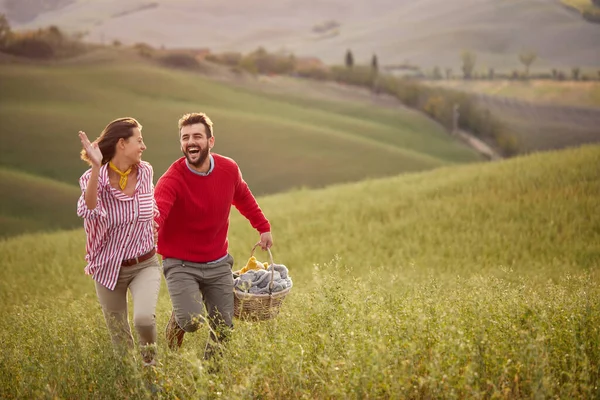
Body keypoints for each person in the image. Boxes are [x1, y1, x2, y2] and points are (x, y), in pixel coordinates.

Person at [154, 112, 273, 358]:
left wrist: (263, 227)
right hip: (180, 263)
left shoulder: (229, 169)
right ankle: (178, 319)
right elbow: (158, 212)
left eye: (197, 136)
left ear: (211, 141)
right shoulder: (172, 179)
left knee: (223, 328)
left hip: (218, 261)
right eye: (185, 137)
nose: (191, 142)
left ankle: (210, 378)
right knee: (192, 321)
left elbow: (243, 197)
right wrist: (149, 230)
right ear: (181, 144)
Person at [77, 117, 161, 367]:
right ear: (122, 144)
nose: (143, 146)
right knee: (120, 341)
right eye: (139, 140)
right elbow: (90, 208)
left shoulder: (145, 171)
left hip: (144, 263)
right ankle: (130, 385)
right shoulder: (94, 178)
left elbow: (151, 208)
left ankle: (151, 367)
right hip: (107, 267)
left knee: (144, 320)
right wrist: (95, 167)